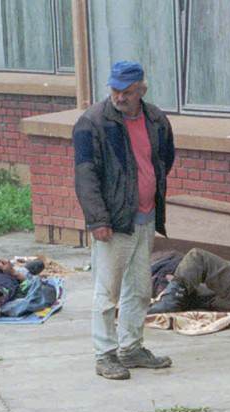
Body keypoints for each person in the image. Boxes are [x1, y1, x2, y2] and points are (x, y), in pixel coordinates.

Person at [73, 60, 175, 381]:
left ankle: (130, 348)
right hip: (113, 223)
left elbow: (164, 159)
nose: (119, 97)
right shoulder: (92, 123)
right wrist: (97, 219)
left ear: (141, 89)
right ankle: (104, 354)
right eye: (115, 90)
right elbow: (85, 176)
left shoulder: (156, 119)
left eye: (127, 92)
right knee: (107, 292)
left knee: (141, 288)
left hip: (145, 217)